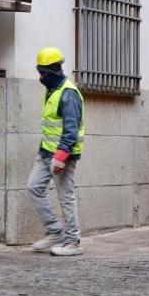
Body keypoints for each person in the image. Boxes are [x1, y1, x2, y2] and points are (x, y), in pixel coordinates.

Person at [27, 47, 85, 256]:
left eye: (43, 72)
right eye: (39, 71)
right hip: (45, 154)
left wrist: (60, 157)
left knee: (66, 197)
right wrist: (46, 153)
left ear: (54, 71)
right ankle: (54, 230)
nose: (40, 76)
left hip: (63, 156)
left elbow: (71, 130)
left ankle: (73, 241)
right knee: (34, 187)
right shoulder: (52, 89)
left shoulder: (68, 94)